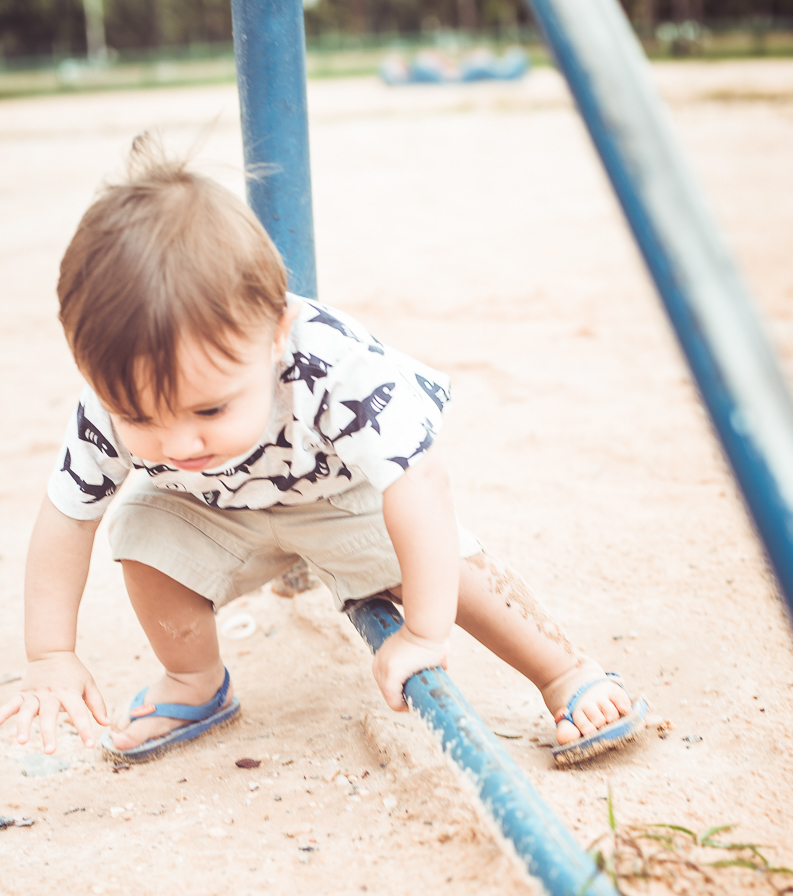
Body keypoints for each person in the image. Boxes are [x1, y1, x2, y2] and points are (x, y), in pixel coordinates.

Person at [0, 138, 646, 768]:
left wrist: (422, 632)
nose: (177, 443)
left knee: (450, 563)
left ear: (276, 334)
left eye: (209, 410)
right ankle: (195, 680)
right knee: (139, 527)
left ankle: (564, 672)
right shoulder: (112, 397)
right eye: (139, 418)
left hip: (339, 497)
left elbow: (421, 486)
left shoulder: (334, 364)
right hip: (208, 509)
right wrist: (51, 653)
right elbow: (68, 515)